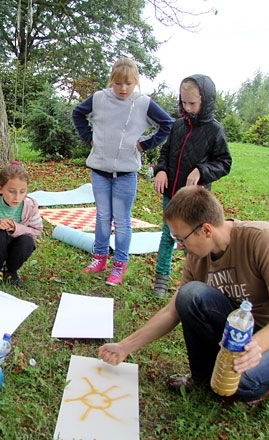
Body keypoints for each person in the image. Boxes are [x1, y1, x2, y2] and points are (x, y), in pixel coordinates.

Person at [99, 186, 269, 405]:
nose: (180, 247)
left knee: (236, 379)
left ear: (206, 230)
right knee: (189, 294)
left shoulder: (265, 240)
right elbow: (171, 311)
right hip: (238, 329)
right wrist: (125, 347)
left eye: (181, 239)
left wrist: (255, 347)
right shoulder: (197, 257)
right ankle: (202, 377)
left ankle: (261, 385)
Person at [72, 58, 173, 286]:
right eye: (118, 83)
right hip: (100, 169)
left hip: (126, 173)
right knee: (102, 216)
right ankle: (99, 258)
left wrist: (145, 144)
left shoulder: (143, 103)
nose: (123, 88)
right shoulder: (99, 99)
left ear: (135, 82)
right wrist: (90, 138)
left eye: (128, 83)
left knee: (122, 220)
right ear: (112, 81)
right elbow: (77, 114)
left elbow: (167, 124)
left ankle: (119, 265)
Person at [151, 75, 232, 297]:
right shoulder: (178, 126)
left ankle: (196, 283)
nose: (187, 108)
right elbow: (165, 154)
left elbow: (224, 162)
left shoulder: (215, 130)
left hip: (196, 198)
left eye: (192, 103)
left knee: (195, 241)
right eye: (183, 102)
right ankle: (161, 279)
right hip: (172, 194)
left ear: (206, 101)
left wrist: (202, 170)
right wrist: (160, 170)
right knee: (169, 235)